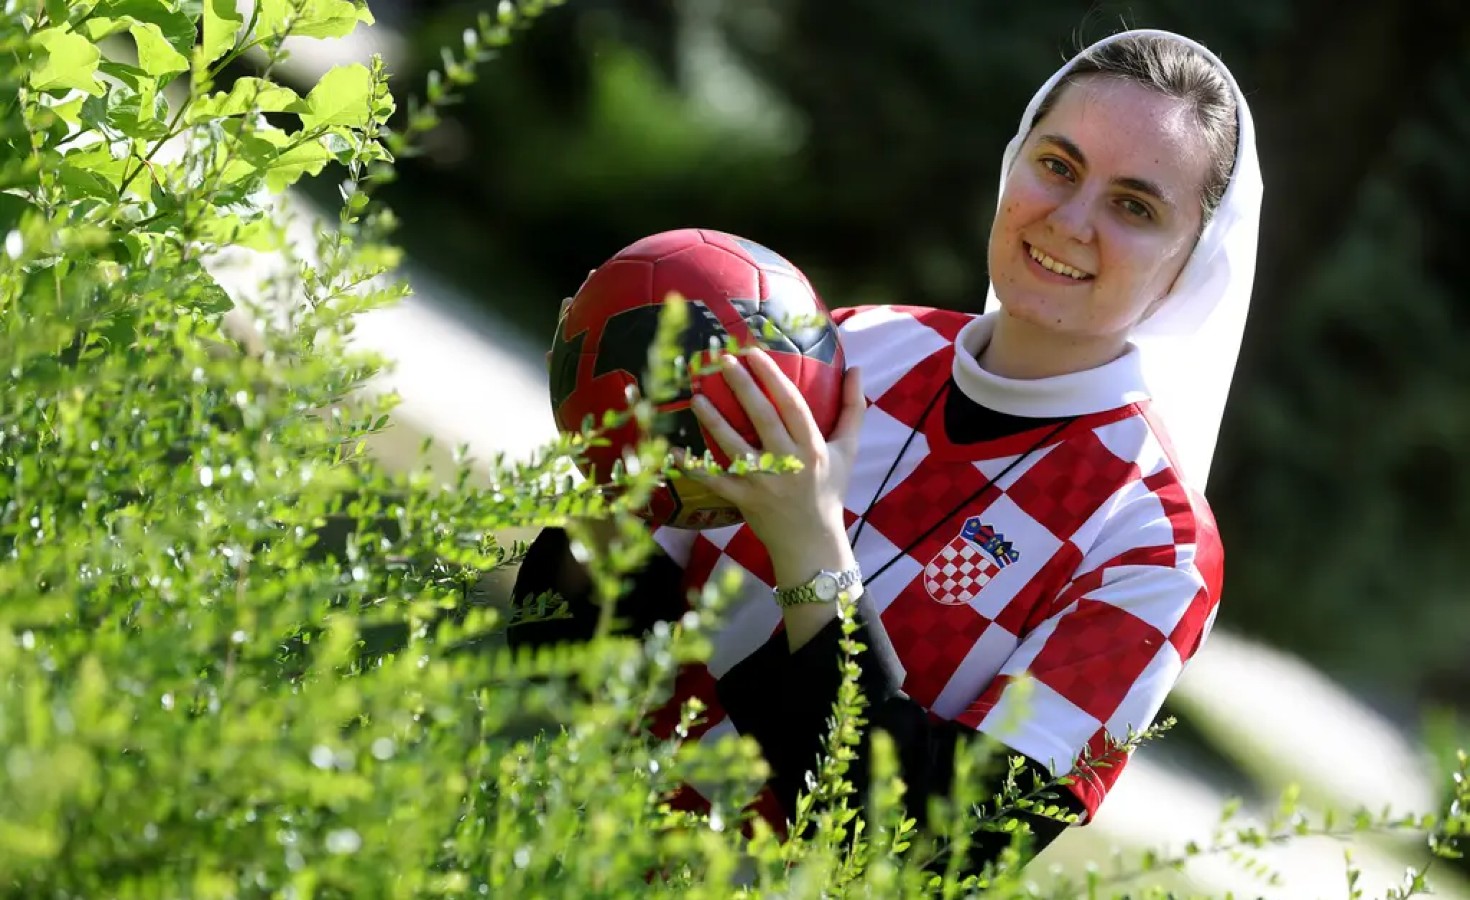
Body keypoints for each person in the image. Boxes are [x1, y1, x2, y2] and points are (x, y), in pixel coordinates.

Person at [510, 27, 1263, 875]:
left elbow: (942, 850)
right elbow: (563, 650)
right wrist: (615, 461)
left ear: (1192, 266)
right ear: (1014, 162)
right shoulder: (850, 347)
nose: (1072, 220)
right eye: (1058, 165)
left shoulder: (1154, 544)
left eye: (1135, 207)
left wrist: (809, 545)